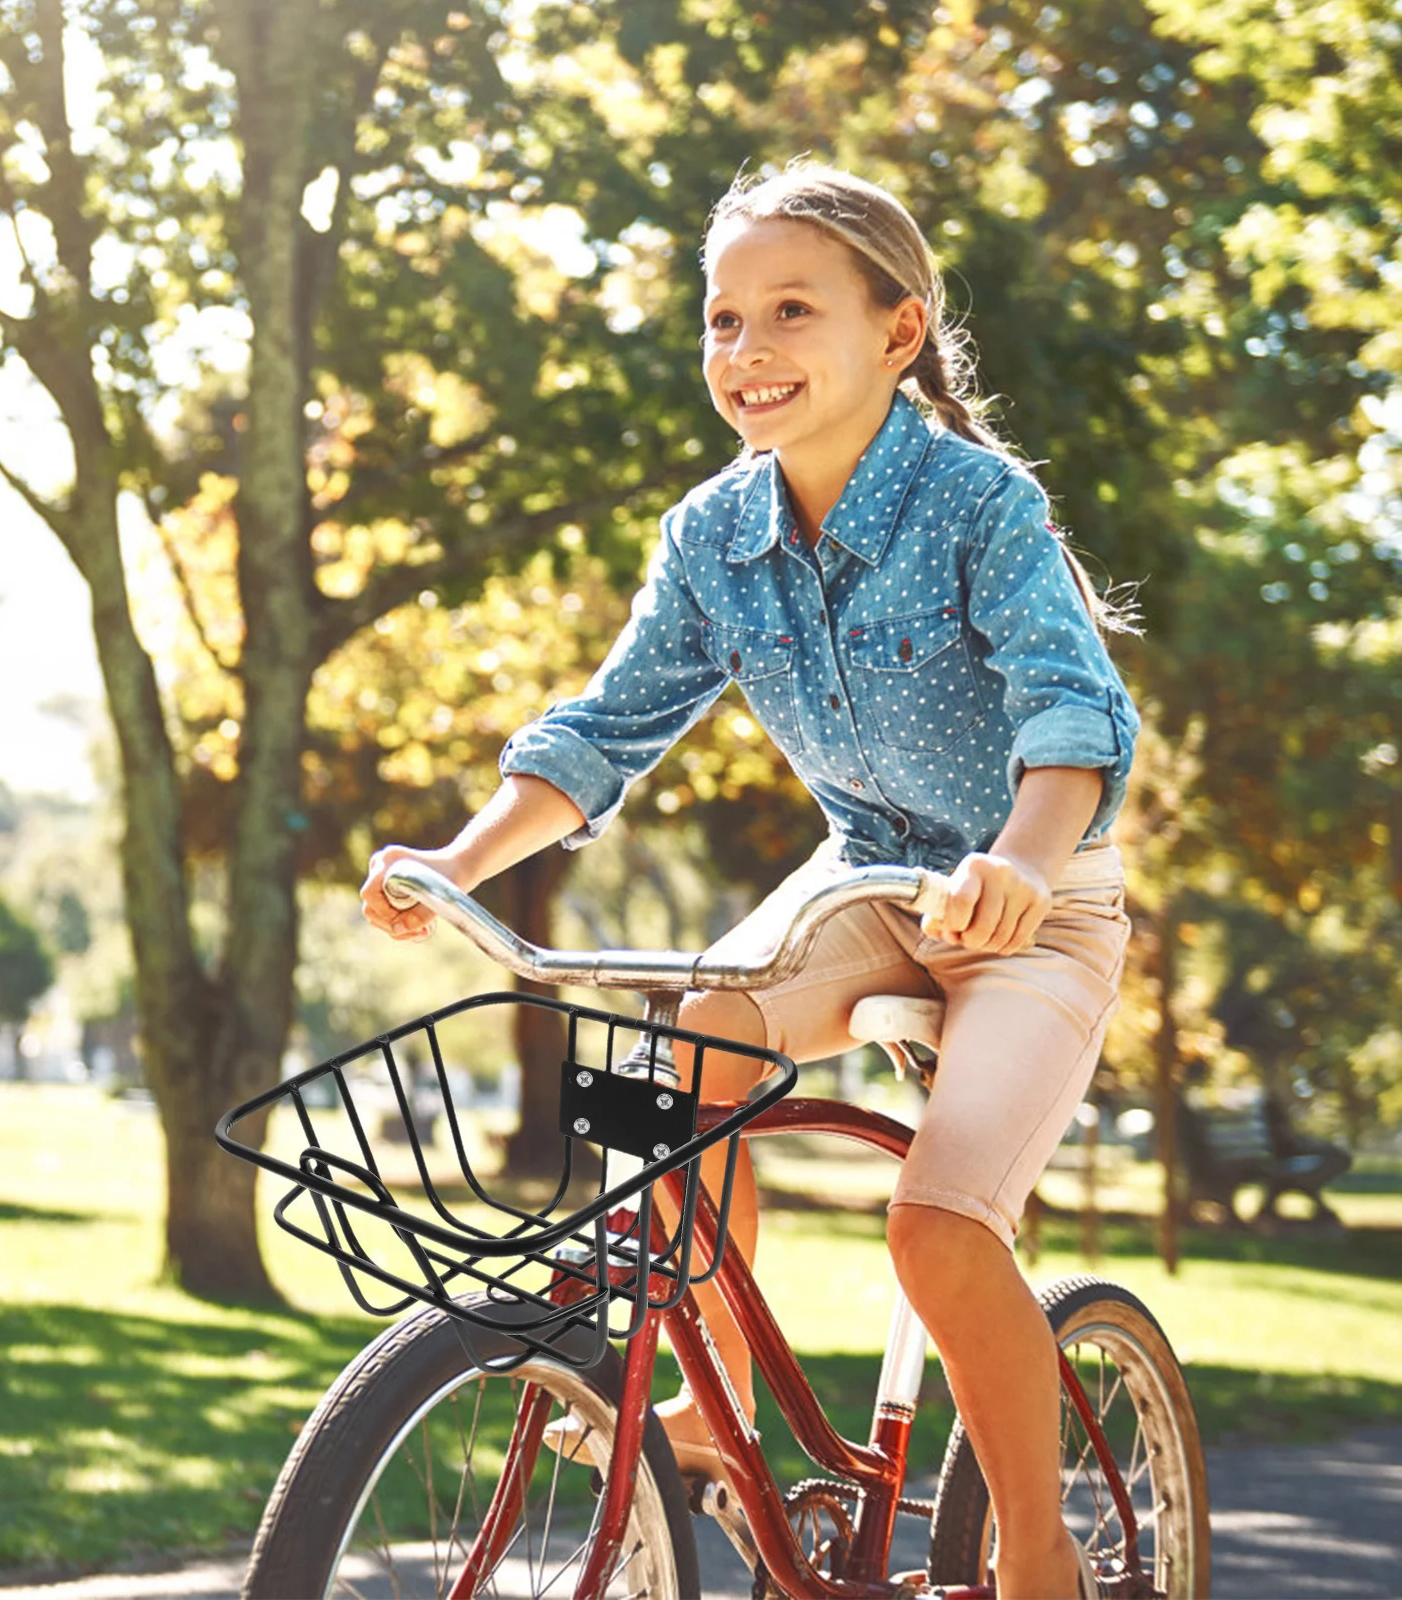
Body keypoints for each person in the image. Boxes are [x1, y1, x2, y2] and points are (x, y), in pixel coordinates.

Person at [361, 162, 1139, 1600]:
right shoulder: (712, 537)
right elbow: (606, 727)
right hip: (864, 889)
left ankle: (1037, 1552)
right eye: (722, 321)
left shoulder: (980, 505)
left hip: (1040, 909)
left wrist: (1021, 870)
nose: (746, 351)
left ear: (898, 332)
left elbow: (1069, 715)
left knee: (940, 1230)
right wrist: (459, 862)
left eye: (790, 310)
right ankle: (710, 1410)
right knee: (667, 1070)